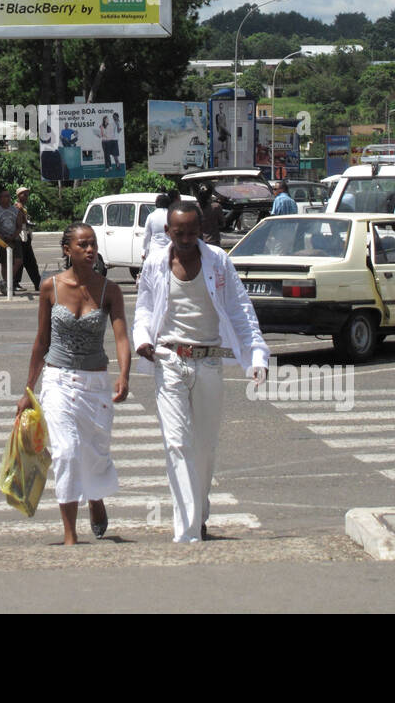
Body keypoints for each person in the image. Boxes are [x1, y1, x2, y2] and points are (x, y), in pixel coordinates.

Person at [133, 202, 269, 542]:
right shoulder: (154, 263)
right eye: (179, 234)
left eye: (193, 233)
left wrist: (256, 356)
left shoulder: (218, 262)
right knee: (178, 444)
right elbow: (144, 310)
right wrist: (142, 340)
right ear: (168, 232)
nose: (186, 240)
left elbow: (240, 312)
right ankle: (188, 533)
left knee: (204, 448)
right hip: (169, 360)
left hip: (208, 361)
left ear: (201, 232)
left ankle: (199, 512)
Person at [18, 222, 132, 545]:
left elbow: (122, 337)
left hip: (95, 382)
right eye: (82, 244)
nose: (90, 249)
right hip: (58, 380)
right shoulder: (50, 287)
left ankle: (95, 498)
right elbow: (41, 341)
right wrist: (29, 390)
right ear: (67, 250)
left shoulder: (110, 290)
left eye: (93, 244)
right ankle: (70, 534)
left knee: (95, 453)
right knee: (67, 452)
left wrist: (124, 374)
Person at [0, 188, 22, 292]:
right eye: (5, 196)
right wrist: (3, 238)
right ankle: (7, 286)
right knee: (4, 263)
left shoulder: (16, 210)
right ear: (0, 198)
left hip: (15, 239)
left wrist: (12, 237)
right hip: (1, 240)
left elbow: (19, 226)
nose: (8, 198)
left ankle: (6, 282)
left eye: (9, 196)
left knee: (18, 261)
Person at [14, 186, 42, 292]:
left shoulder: (23, 207)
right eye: (24, 194)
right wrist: (27, 222)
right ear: (18, 195)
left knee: (28, 261)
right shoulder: (17, 206)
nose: (26, 196)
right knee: (23, 261)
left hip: (26, 236)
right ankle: (15, 283)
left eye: (27, 194)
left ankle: (37, 283)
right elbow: (20, 221)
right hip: (21, 237)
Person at [141, 193, 171, 262]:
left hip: (155, 251)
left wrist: (144, 250)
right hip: (169, 252)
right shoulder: (171, 215)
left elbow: (146, 236)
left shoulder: (151, 216)